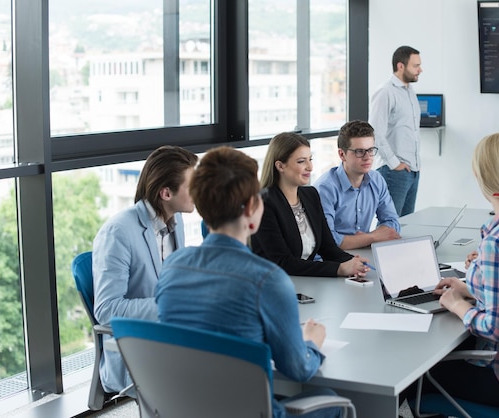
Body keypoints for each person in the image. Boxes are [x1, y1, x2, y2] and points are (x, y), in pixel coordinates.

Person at [155, 146, 344, 418]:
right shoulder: (267, 280)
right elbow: (299, 369)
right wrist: (311, 342)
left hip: (189, 408)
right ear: (252, 209)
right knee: (332, 400)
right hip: (247, 410)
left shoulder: (172, 267)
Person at [403, 133, 499, 409]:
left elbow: (496, 328)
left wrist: (457, 305)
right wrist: (468, 289)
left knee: (411, 370)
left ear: (478, 175)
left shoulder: (498, 241)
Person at [92, 145, 198, 396]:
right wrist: (170, 306)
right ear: (166, 193)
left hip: (171, 337)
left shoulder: (176, 220)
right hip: (138, 349)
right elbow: (106, 310)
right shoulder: (118, 232)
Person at [251, 132, 369, 277]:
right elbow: (283, 262)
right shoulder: (264, 203)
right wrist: (339, 269)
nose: (310, 167)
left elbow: (328, 248)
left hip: (306, 282)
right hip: (272, 283)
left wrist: (353, 262)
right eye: (301, 161)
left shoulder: (310, 195)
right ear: (280, 166)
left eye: (310, 159)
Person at [313, 120, 401, 250]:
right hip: (331, 258)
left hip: (363, 252)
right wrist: (372, 237)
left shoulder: (376, 179)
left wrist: (365, 238)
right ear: (342, 154)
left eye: (370, 150)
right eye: (359, 151)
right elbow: (328, 240)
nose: (367, 157)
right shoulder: (325, 189)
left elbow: (393, 223)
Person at [369, 45, 423, 217]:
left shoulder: (410, 92)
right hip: (394, 171)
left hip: (412, 170)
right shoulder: (386, 92)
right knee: (389, 224)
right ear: (401, 66)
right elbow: (375, 132)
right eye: (416, 66)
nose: (420, 70)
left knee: (406, 223)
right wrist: (395, 164)